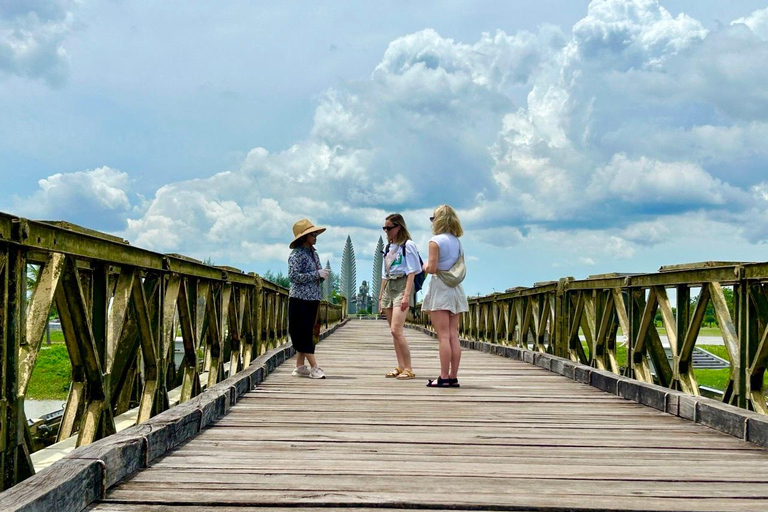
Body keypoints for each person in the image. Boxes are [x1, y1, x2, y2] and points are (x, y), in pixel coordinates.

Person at [421, 205, 469, 388]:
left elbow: (432, 268)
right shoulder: (457, 242)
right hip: (455, 288)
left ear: (439, 220)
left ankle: (443, 377)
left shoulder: (435, 241)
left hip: (440, 288)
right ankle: (453, 376)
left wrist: (424, 266)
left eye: (433, 218)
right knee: (453, 335)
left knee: (443, 336)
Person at [378, 213, 420, 380]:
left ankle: (409, 368)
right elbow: (384, 274)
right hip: (390, 286)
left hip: (403, 285)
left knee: (397, 330)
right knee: (393, 331)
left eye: (389, 228)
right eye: (384, 228)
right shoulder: (389, 247)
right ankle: (400, 366)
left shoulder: (408, 245)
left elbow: (412, 272)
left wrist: (406, 295)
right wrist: (380, 297)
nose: (386, 231)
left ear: (398, 227)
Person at [288, 218, 330, 379]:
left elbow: (313, 275)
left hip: (313, 297)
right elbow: (293, 276)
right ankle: (314, 367)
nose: (315, 236)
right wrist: (315, 274)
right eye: (312, 234)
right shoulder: (296, 255)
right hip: (299, 298)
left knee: (308, 331)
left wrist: (321, 276)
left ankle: (299, 366)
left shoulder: (313, 253)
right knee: (303, 332)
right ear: (304, 237)